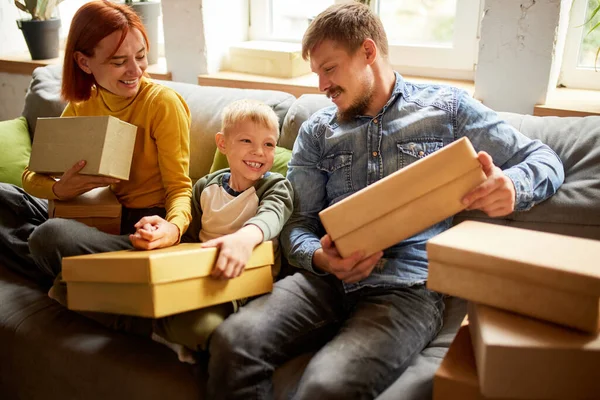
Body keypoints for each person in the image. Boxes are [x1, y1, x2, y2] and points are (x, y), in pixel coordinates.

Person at [206, 3, 565, 399]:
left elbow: (544, 160)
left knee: (326, 386)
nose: (322, 86)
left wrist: (512, 186)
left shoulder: (446, 109)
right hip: (325, 281)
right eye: (317, 74)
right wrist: (322, 258)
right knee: (232, 341)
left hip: (405, 288)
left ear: (368, 52)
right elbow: (298, 223)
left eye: (330, 69)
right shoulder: (317, 131)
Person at [0, 0, 192, 289]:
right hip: (94, 213)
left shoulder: (161, 104)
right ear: (83, 62)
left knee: (50, 236)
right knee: (4, 197)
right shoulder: (84, 104)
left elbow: (180, 188)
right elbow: (31, 175)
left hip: (139, 227)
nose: (135, 70)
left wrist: (172, 229)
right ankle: (73, 271)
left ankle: (66, 268)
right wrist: (59, 189)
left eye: (141, 56)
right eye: (118, 62)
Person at [151, 99, 294, 362]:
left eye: (268, 144)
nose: (259, 152)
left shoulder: (276, 186)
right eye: (246, 141)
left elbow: (271, 216)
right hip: (200, 275)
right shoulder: (205, 187)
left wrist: (244, 238)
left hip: (246, 284)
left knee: (206, 330)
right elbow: (188, 239)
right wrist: (165, 230)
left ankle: (172, 330)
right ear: (222, 143)